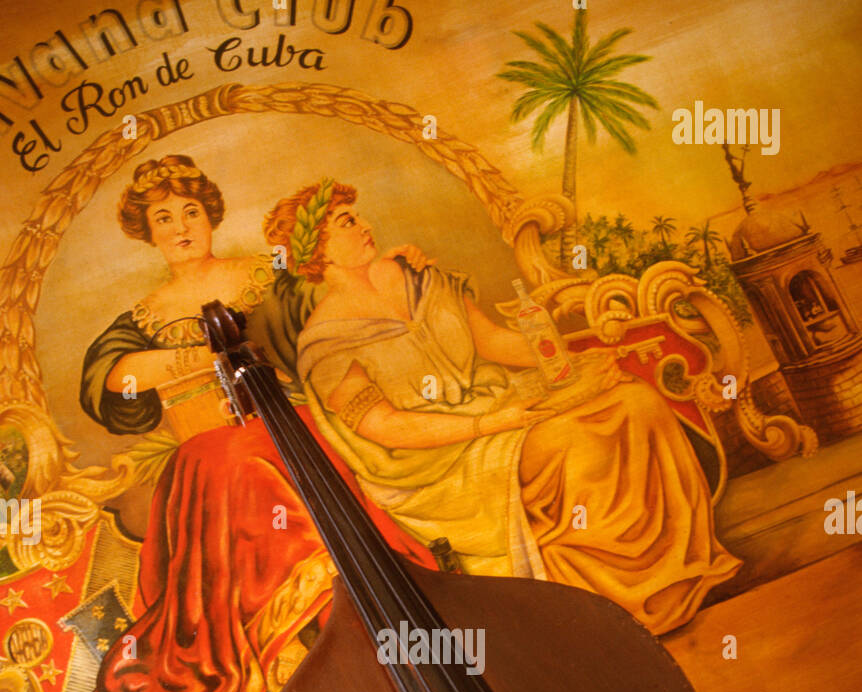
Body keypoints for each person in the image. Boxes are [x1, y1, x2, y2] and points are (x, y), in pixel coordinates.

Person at [35, 157, 430, 692]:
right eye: (164, 218)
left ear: (209, 216)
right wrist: (202, 354)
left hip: (288, 431)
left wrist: (388, 271)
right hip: (209, 461)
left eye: (190, 211)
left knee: (267, 461)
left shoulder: (262, 277)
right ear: (149, 233)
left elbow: (334, 305)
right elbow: (112, 377)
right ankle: (306, 649)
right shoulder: (138, 320)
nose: (181, 226)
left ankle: (342, 636)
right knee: (239, 466)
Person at [263, 178, 742, 633]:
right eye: (346, 222)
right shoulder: (324, 343)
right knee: (577, 445)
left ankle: (672, 576)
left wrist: (568, 356)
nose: (364, 225)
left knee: (637, 402)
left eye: (358, 215)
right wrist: (494, 423)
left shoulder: (417, 275)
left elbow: (491, 341)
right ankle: (617, 605)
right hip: (436, 462)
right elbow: (386, 427)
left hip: (501, 403)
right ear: (317, 251)